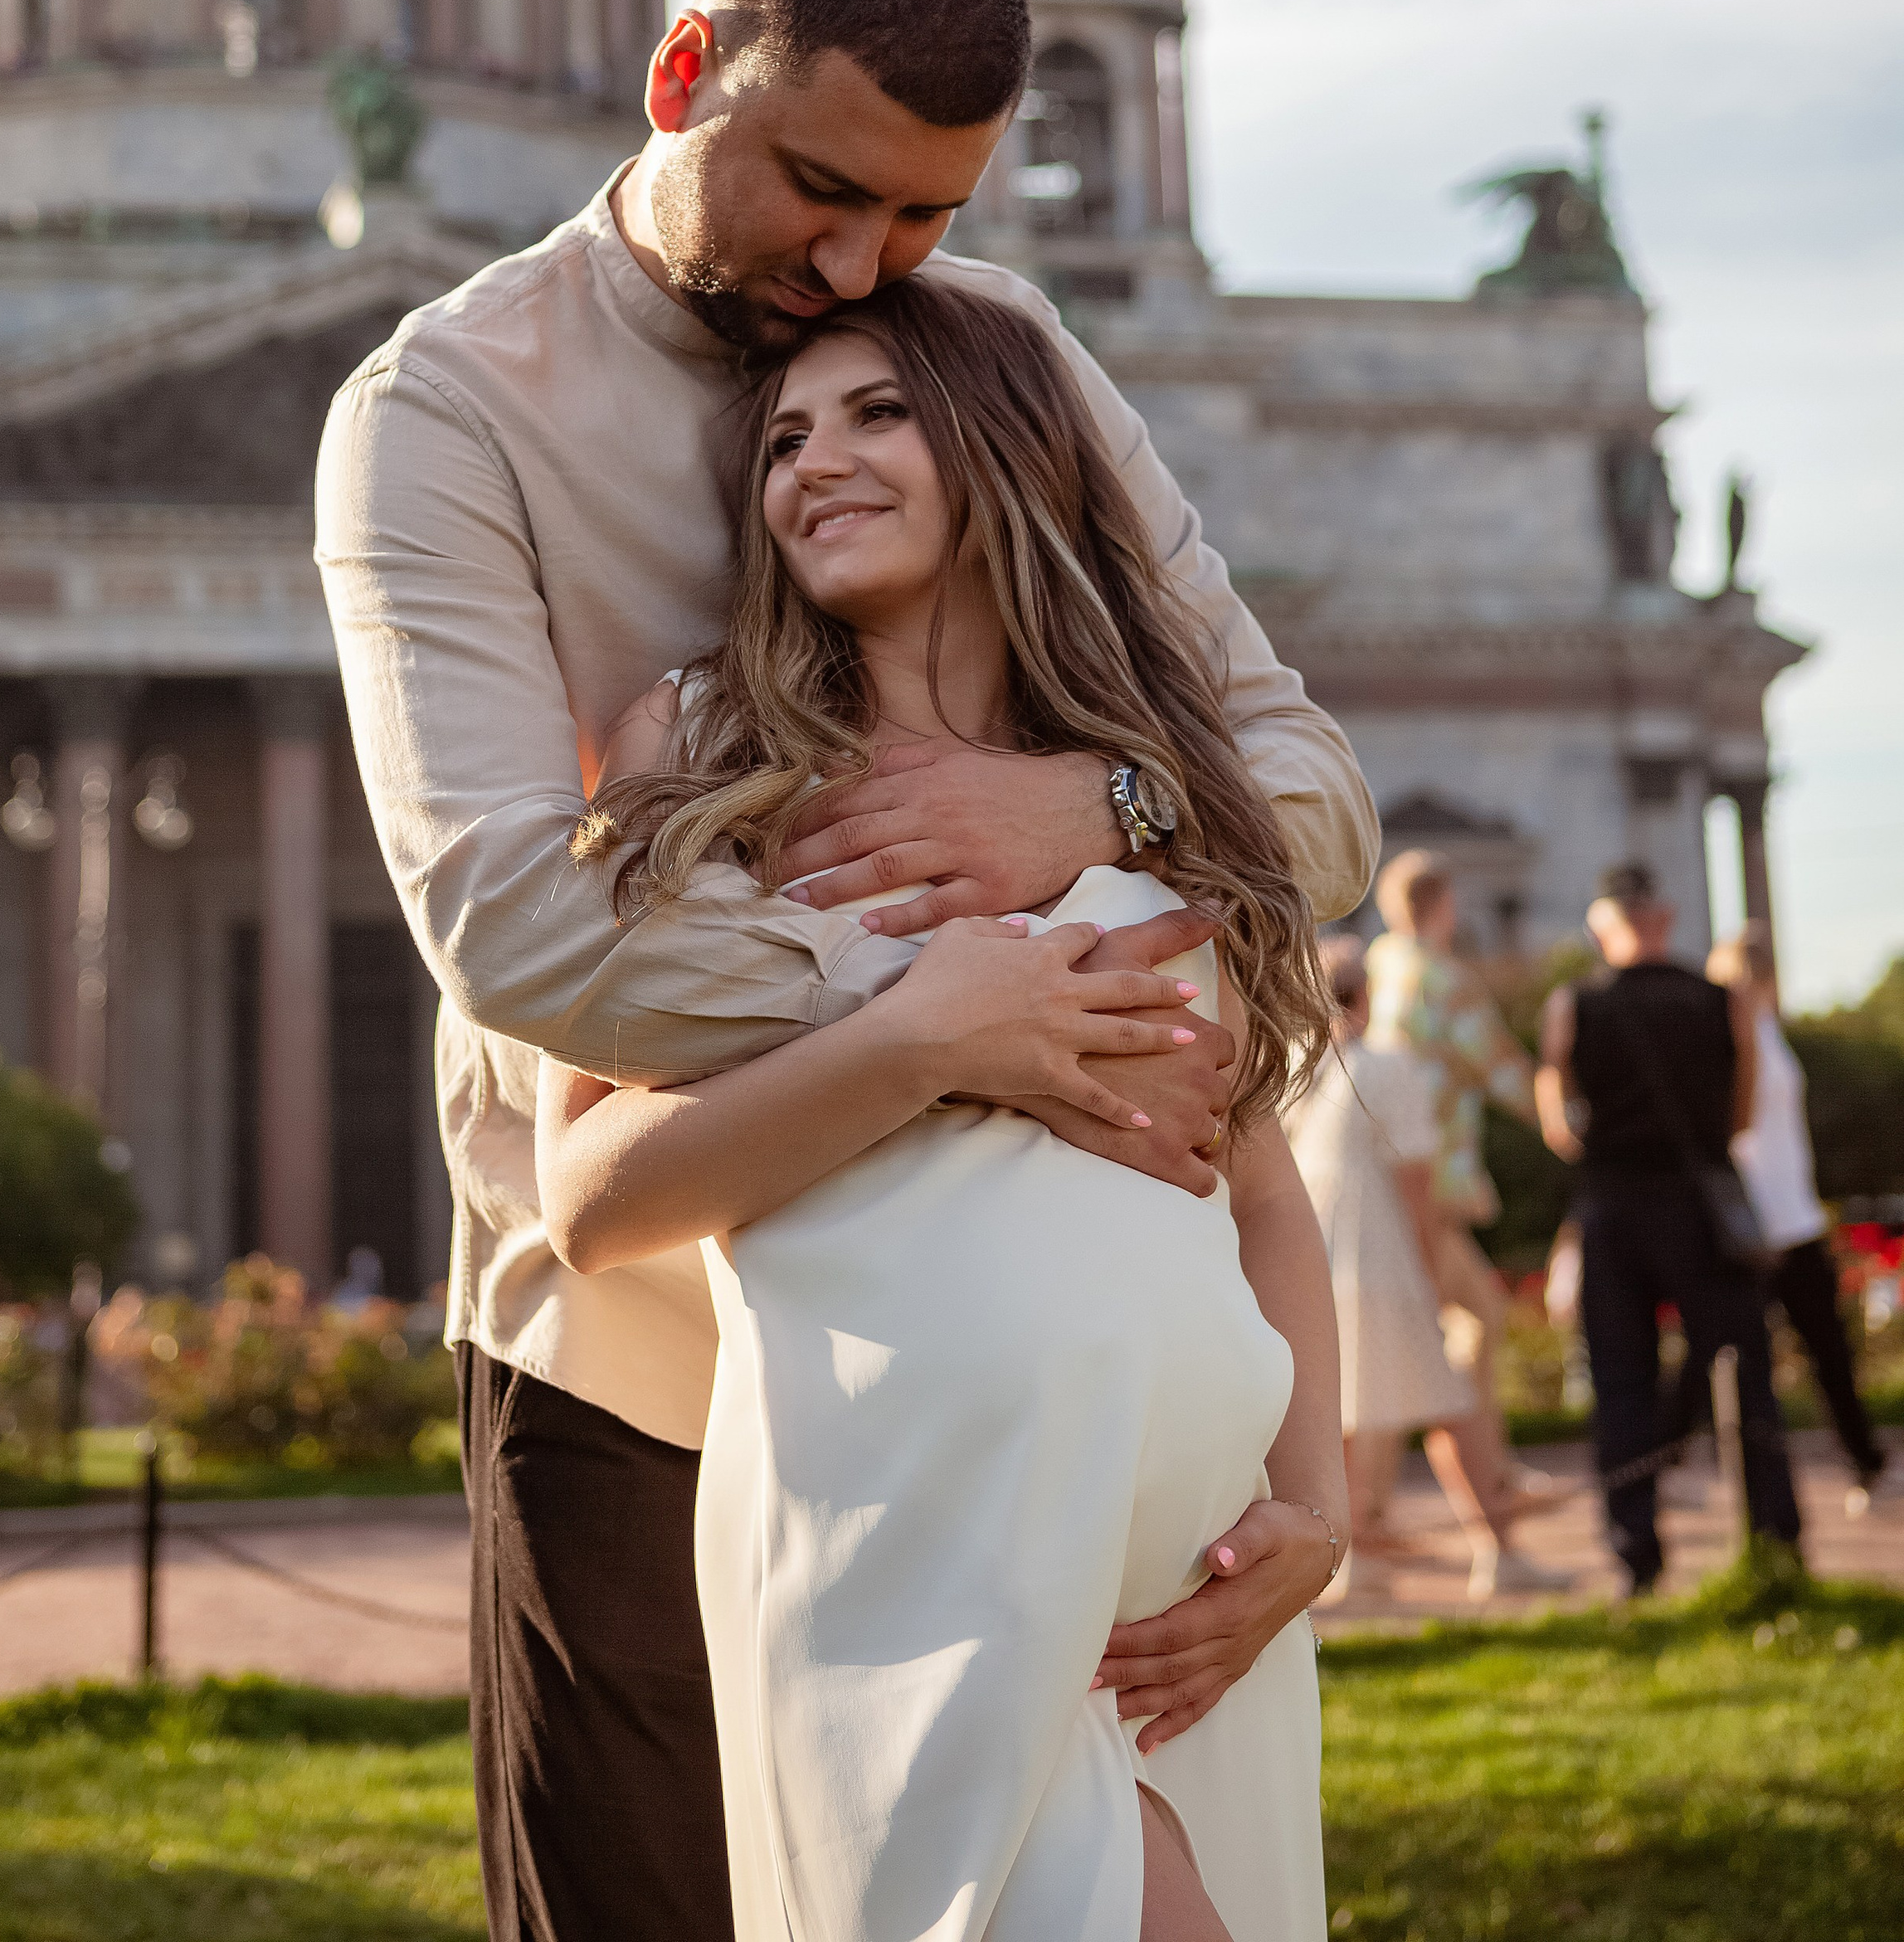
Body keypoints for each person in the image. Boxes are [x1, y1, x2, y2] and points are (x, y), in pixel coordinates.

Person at [318, 0, 1378, 1941]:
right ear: (677, 71)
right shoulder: (441, 415)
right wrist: (957, 1000)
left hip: (1040, 1407)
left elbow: (1305, 788)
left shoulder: (990, 346)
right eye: (819, 184)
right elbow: (524, 939)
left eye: (923, 214)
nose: (858, 261)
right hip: (636, 1366)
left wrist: (1085, 794)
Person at [533, 279, 1342, 1942]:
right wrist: (927, 1041)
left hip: (1184, 1592)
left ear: (1004, 448)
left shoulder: (1137, 768)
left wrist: (1313, 1511)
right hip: (913, 1556)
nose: (813, 461)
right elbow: (590, 1197)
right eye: (778, 438)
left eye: (876, 413)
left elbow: (1255, 1191)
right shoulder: (696, 746)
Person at [1536, 865, 1801, 1593]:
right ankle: (1775, 1540)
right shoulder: (1723, 1001)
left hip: (1613, 1207)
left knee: (1621, 1382)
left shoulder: (1575, 1004)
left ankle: (1637, 1559)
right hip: (1702, 1208)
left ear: (1603, 923)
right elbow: (1741, 1117)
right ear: (1666, 917)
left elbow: (1559, 1126)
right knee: (1742, 1371)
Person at [1283, 937, 1559, 1606]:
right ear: (1366, 996)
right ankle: (1492, 1550)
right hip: (1376, 1250)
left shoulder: (1297, 1065)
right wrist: (1431, 1277)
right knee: (1446, 1399)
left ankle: (1359, 1556)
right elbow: (1416, 1182)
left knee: (1350, 1409)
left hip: (1316, 1252)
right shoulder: (1387, 1066)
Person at [1363, 849, 1556, 1555]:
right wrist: (1571, 1125)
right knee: (1458, 1328)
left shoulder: (1381, 967)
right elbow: (1508, 1074)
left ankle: (1454, 1515)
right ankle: (1478, 1488)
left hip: (1383, 1182)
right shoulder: (1444, 980)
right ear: (1444, 907)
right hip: (1429, 1185)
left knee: (1420, 1337)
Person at [1706, 922, 1886, 1508]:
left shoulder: (1768, 1032)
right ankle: (1702, 1473)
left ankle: (1867, 1463)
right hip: (1758, 1224)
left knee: (1827, 1349)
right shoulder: (1730, 1042)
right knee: (1731, 1354)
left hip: (1795, 1215)